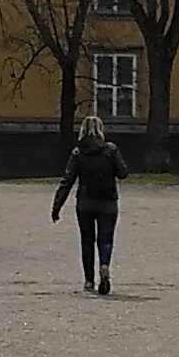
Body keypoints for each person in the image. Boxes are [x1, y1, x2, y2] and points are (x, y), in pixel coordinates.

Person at [51, 116, 130, 294]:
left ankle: (88, 280)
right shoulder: (110, 150)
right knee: (106, 239)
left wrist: (57, 206)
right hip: (108, 201)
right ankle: (104, 265)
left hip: (85, 202)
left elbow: (67, 180)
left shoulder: (78, 153)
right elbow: (123, 173)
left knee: (87, 241)